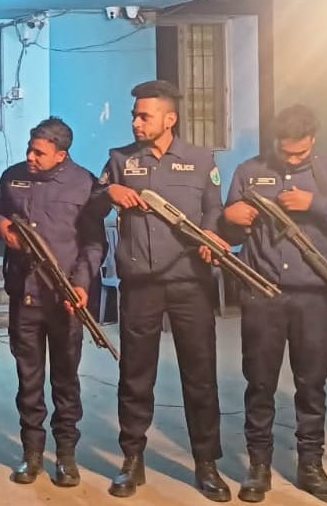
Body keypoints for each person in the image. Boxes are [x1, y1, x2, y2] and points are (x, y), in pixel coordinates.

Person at [220, 105, 327, 504]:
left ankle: (311, 466)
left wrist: (314, 203)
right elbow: (229, 232)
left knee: (311, 383)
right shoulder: (249, 171)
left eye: (299, 152)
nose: (291, 159)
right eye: (284, 151)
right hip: (261, 293)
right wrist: (230, 217)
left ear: (313, 140)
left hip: (315, 295)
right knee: (260, 382)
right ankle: (258, 466)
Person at [98, 80, 230, 501]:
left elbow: (214, 207)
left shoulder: (200, 160)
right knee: (136, 375)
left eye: (145, 116)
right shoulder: (121, 159)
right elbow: (95, 199)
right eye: (134, 116)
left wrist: (211, 234)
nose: (136, 123)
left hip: (191, 281)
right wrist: (109, 191)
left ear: (169, 119)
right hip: (140, 284)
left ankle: (206, 463)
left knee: (200, 375)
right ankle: (132, 459)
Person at [0, 117, 106, 488]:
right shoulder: (12, 177)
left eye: (39, 153)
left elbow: (93, 243)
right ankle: (32, 454)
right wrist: (1, 226)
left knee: (65, 380)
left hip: (64, 300)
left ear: (61, 155)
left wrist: (82, 284)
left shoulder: (84, 184)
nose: (30, 157)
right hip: (24, 295)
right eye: (29, 149)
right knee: (29, 380)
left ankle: (66, 455)